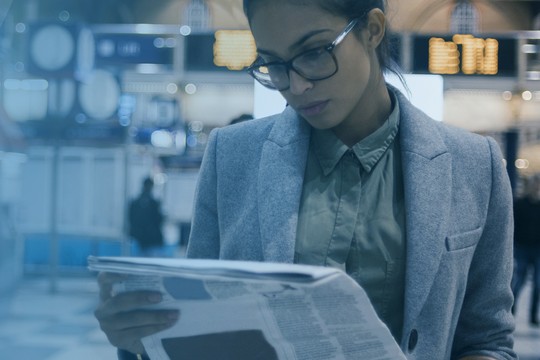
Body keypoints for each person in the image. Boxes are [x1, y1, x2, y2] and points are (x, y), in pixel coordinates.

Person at [95, 1, 516, 359]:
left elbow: (487, 338)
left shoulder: (473, 165)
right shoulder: (233, 157)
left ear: (372, 29)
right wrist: (143, 337)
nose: (295, 85)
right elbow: (203, 328)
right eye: (273, 63)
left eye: (315, 52)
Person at [511, 175, 540, 326]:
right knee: (519, 281)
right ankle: (511, 311)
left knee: (538, 284)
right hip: (522, 248)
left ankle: (533, 316)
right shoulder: (521, 204)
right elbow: (514, 224)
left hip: (537, 249)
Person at [128, 177, 165, 257]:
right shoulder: (154, 203)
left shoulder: (135, 203)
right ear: (151, 187)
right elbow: (159, 220)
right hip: (153, 241)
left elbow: (131, 220)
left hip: (140, 242)